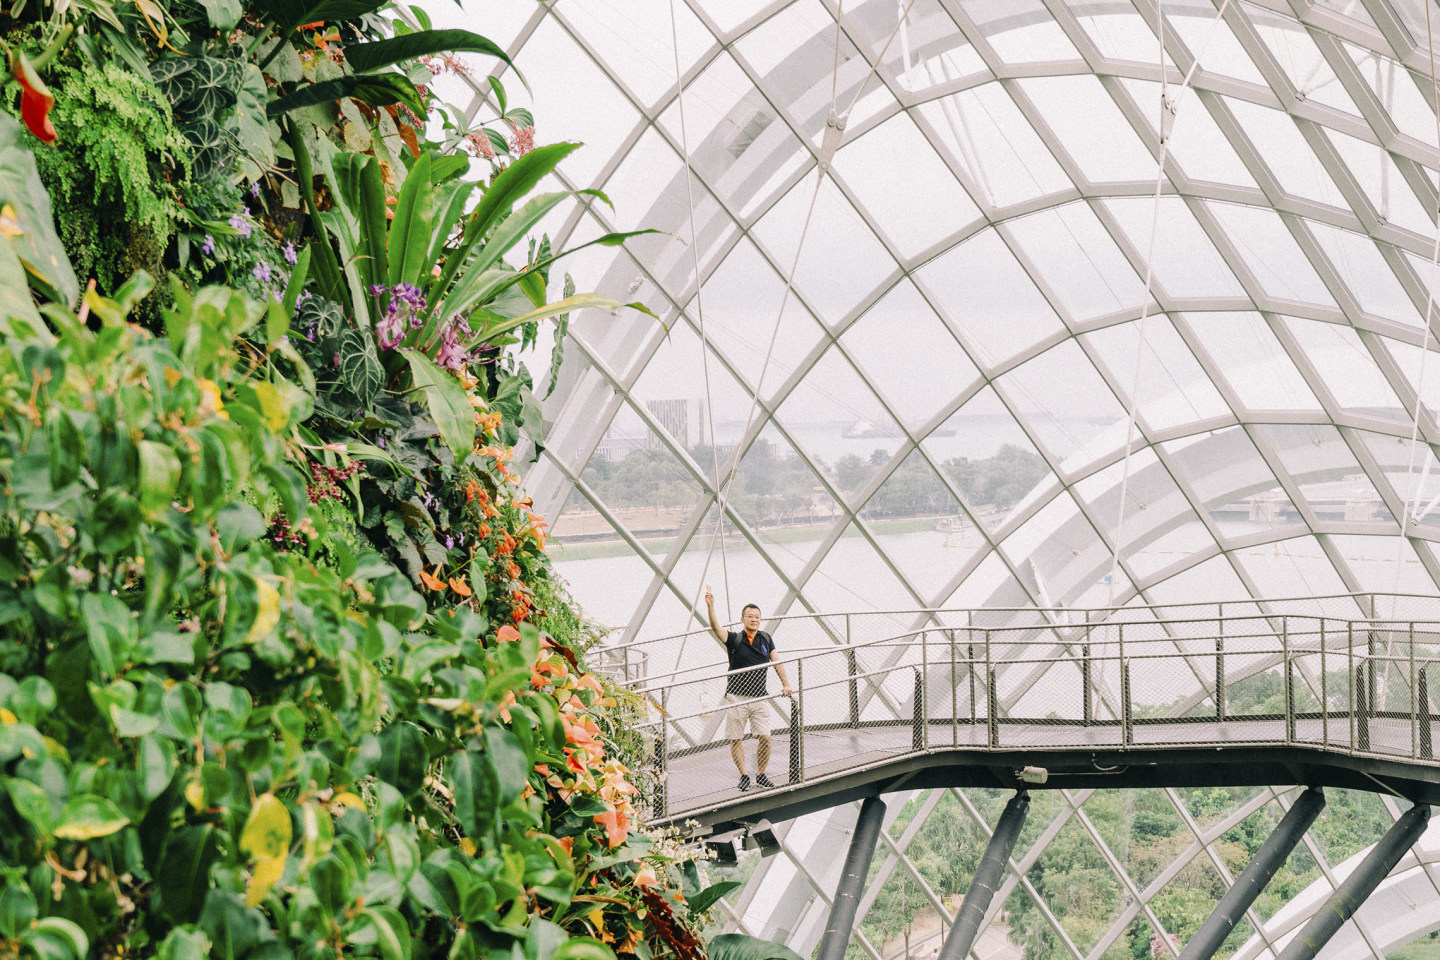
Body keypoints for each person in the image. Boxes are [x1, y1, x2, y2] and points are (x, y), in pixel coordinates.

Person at [705, 586, 792, 792]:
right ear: (742, 620)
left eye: (757, 617)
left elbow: (777, 662)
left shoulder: (766, 639)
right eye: (750, 617)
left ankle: (761, 774)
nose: (754, 620)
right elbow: (716, 628)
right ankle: (744, 774)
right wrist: (711, 607)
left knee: (766, 737)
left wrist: (786, 683)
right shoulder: (735, 639)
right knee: (736, 738)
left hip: (759, 697)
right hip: (736, 696)